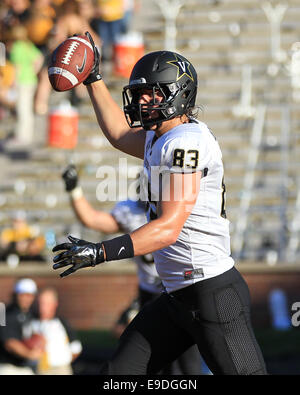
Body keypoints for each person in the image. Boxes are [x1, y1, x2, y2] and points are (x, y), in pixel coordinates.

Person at [52, 32, 267, 375]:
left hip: (211, 292)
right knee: (118, 375)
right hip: (176, 296)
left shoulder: (186, 143)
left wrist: (100, 252)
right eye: (139, 94)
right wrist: (93, 78)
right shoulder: (162, 136)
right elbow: (120, 134)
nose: (143, 102)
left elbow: (167, 229)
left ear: (179, 95)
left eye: (153, 93)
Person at [61, 164, 203, 375]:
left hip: (180, 291)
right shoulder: (131, 211)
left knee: (186, 363)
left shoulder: (178, 209)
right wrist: (74, 190)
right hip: (151, 295)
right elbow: (92, 219)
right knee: (152, 360)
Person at [30, 286, 82, 375]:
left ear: (55, 304)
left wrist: (64, 360)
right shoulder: (31, 323)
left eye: (47, 303)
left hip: (60, 369)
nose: (42, 307)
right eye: (41, 303)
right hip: (38, 369)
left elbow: (76, 347)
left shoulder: (61, 323)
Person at [0, 278, 43, 375]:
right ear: (16, 295)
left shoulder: (30, 314)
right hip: (8, 367)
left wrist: (40, 342)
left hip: (25, 367)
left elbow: (34, 334)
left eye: (29, 295)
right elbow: (9, 342)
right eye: (22, 295)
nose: (25, 298)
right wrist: (29, 354)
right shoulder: (6, 313)